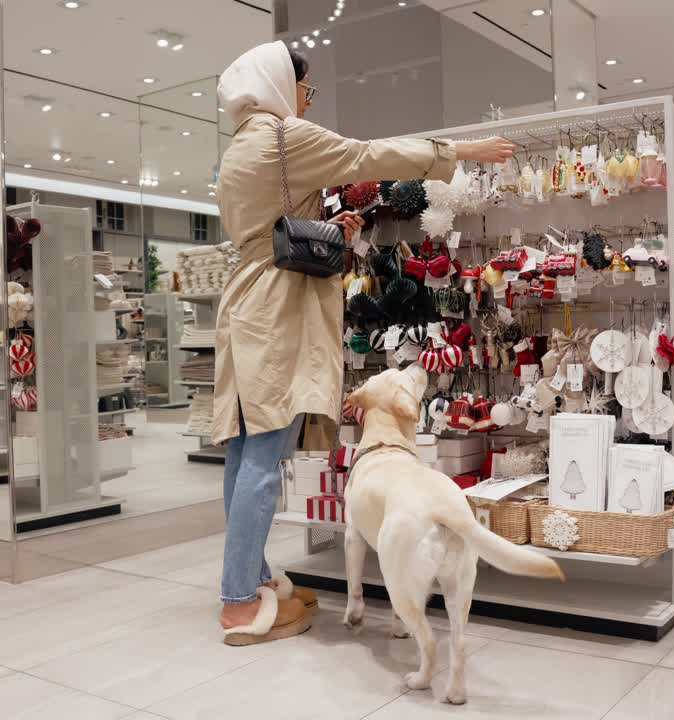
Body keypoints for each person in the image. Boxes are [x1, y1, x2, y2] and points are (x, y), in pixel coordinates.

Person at [213, 40, 515, 645]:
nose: (306, 100)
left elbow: (267, 232)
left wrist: (325, 228)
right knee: (265, 455)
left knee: (244, 452)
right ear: (279, 85)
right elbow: (366, 155)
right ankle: (240, 602)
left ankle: (251, 579)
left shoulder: (240, 146)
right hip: (276, 308)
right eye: (304, 88)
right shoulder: (283, 137)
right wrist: (460, 152)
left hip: (245, 299)